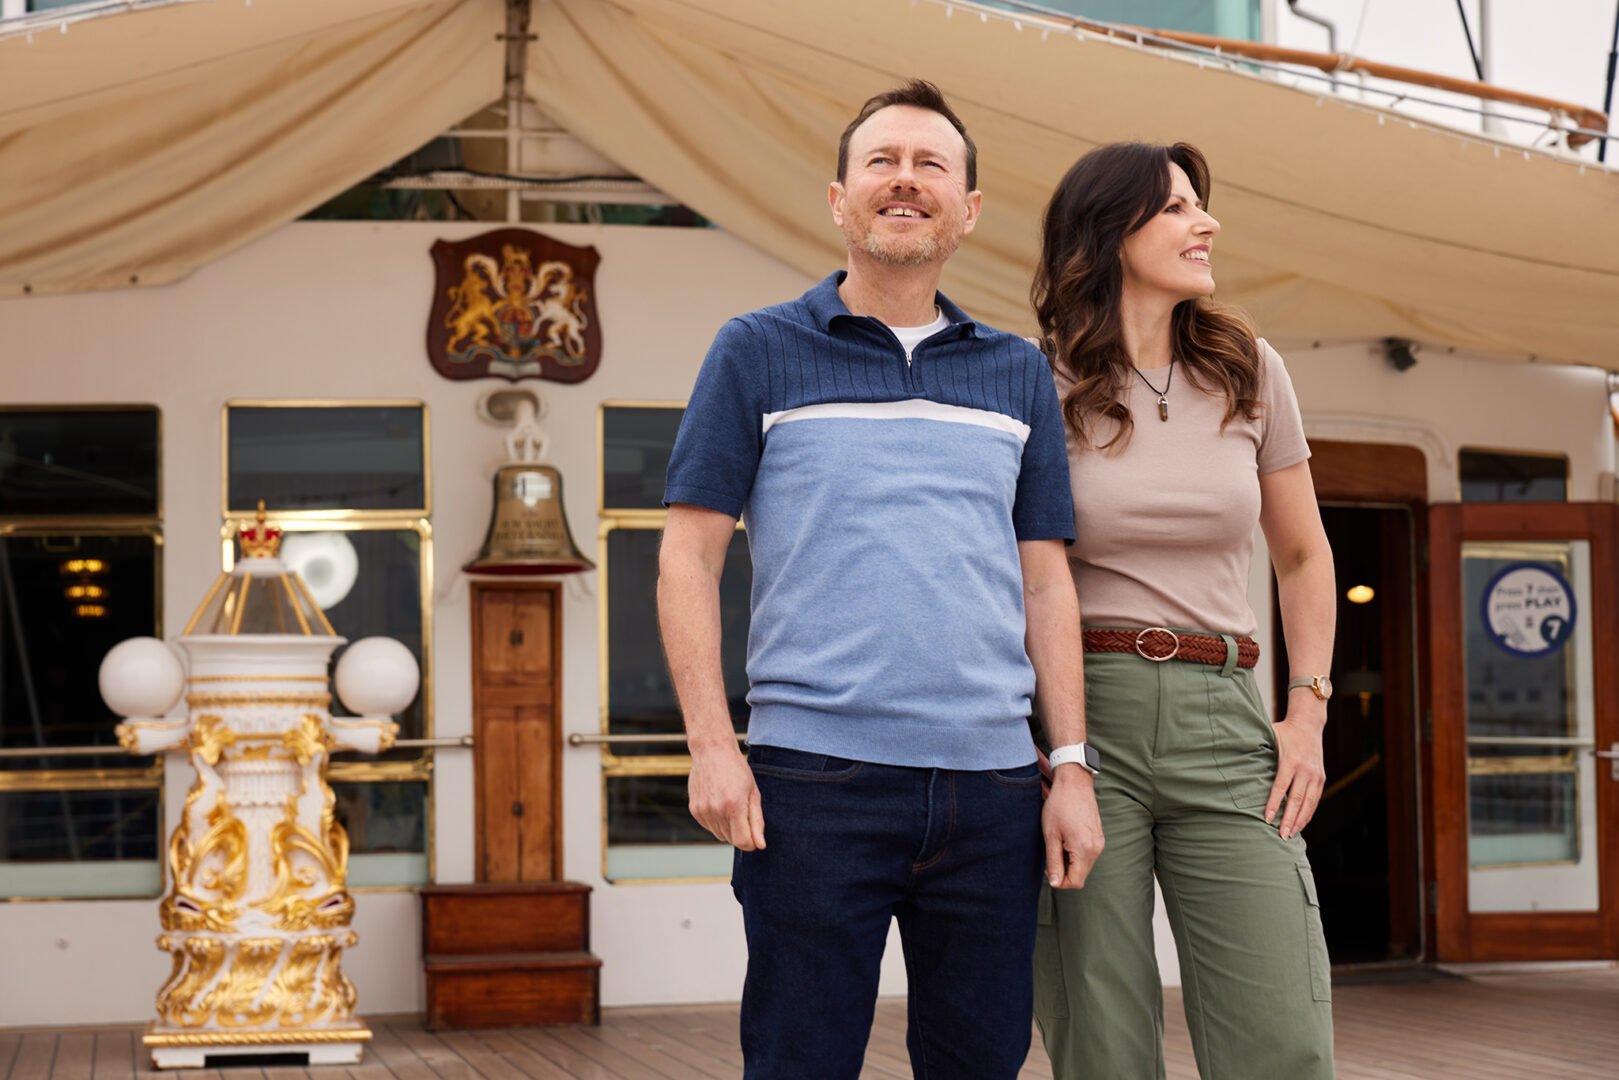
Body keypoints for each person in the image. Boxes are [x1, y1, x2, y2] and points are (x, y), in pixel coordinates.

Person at [657, 79, 1104, 1079]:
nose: (905, 181)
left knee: (979, 1063)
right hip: (810, 788)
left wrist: (1068, 765)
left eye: (930, 165)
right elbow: (687, 555)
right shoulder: (754, 351)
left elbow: (1045, 584)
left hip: (992, 791)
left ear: (967, 209)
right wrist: (711, 748)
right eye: (882, 163)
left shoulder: (1015, 372)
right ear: (838, 198)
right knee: (798, 1062)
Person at [1029, 141, 1337, 1079]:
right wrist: (1061, 753)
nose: (1203, 224)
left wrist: (1307, 711)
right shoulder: (1033, 379)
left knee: (1278, 1028)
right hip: (1087, 716)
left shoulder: (1250, 369)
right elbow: (1027, 573)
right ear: (1106, 232)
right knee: (1102, 1034)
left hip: (1225, 708)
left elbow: (1300, 552)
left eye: (1199, 205)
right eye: (1173, 208)